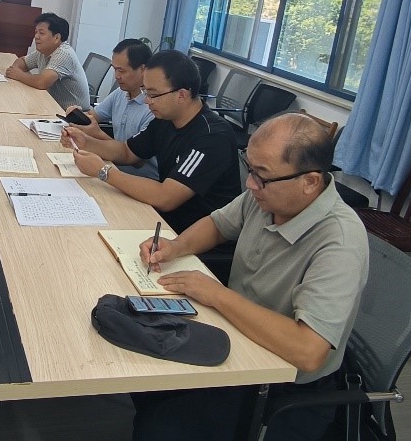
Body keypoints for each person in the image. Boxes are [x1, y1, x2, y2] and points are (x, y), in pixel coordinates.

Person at [130, 112, 369, 441]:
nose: (250, 184)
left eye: (262, 176)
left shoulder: (339, 242)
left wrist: (218, 295)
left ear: (310, 182)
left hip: (279, 384)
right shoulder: (269, 196)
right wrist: (175, 246)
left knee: (160, 429)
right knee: (144, 367)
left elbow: (308, 351)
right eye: (250, 169)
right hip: (235, 338)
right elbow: (218, 225)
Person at [63, 50, 240, 234]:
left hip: (188, 234)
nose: (147, 101)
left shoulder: (211, 137)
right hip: (159, 219)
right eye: (145, 92)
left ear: (181, 95)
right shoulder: (166, 119)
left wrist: (103, 171)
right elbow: (127, 152)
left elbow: (166, 197)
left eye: (153, 94)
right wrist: (85, 142)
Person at [62, 38, 157, 179]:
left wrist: (97, 134)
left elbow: (136, 161)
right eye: (115, 69)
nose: (117, 76)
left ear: (143, 70)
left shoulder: (153, 109)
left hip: (136, 178)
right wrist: (77, 115)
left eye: (122, 71)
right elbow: (92, 117)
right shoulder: (121, 92)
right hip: (112, 165)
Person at [3, 12, 90, 110]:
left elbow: (42, 82)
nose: (36, 36)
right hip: (53, 106)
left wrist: (18, 75)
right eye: (36, 32)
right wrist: (15, 70)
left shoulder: (64, 53)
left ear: (56, 38)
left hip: (73, 114)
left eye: (41, 33)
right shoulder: (44, 50)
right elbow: (22, 62)